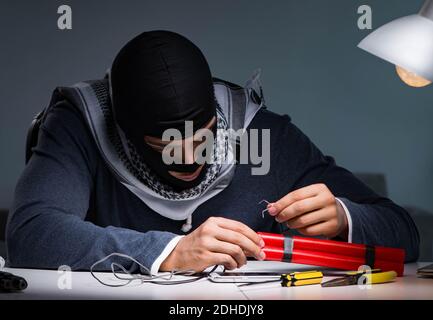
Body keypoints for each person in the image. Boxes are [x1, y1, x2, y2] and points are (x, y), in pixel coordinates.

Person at [6, 31, 419, 274]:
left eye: (202, 134)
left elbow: (405, 236)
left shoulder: (264, 131)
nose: (188, 159)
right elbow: (31, 234)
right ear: (122, 131)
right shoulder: (79, 124)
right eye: (164, 145)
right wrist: (167, 252)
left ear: (219, 117)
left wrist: (345, 217)